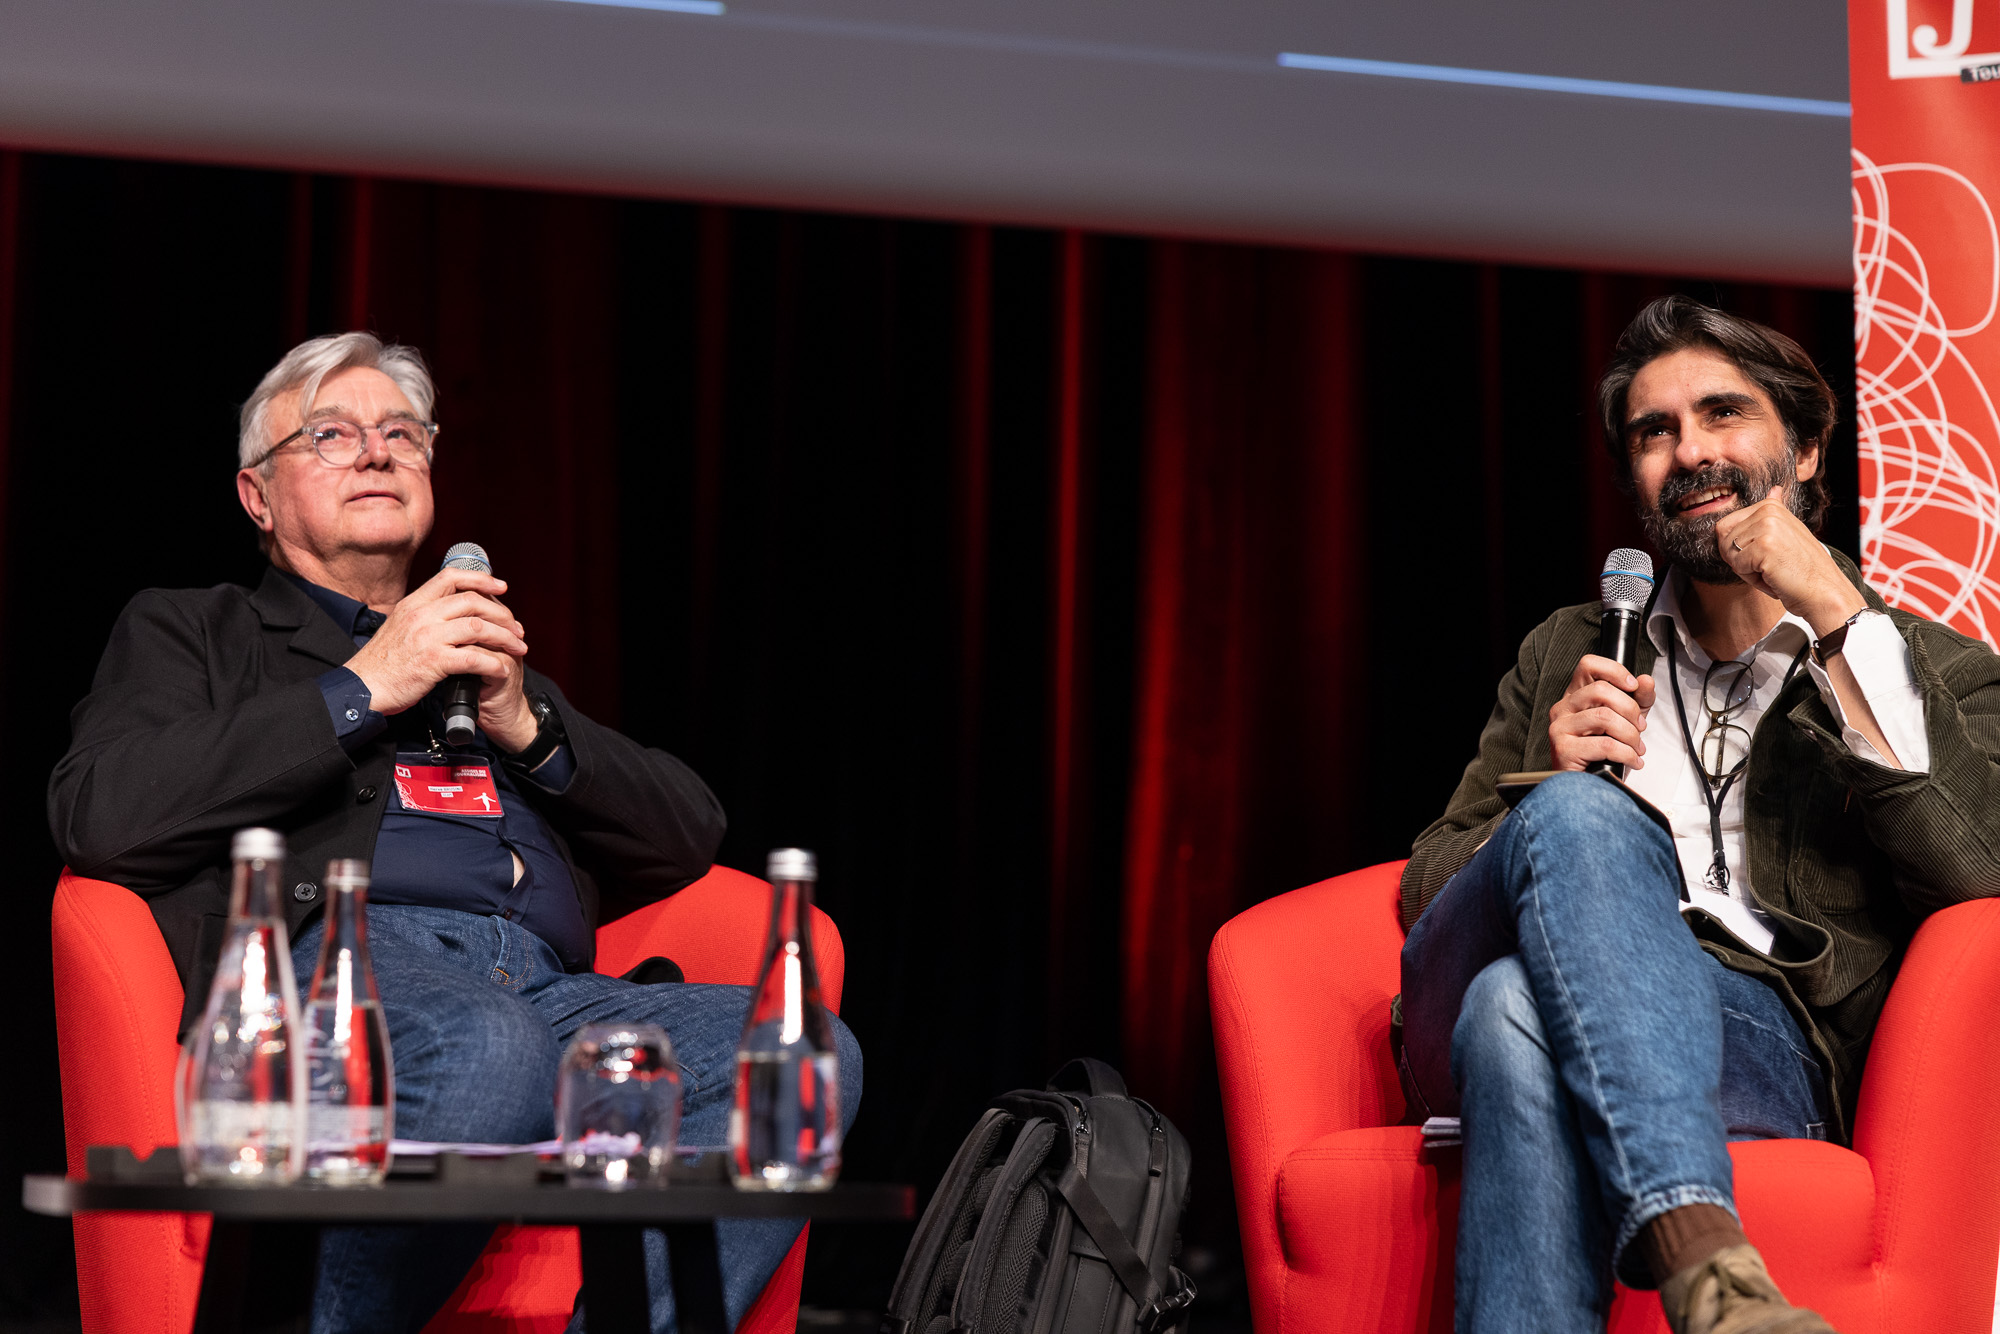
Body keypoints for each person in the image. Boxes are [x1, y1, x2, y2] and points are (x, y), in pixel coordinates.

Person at [48, 332, 863, 1334]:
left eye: (402, 432)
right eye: (331, 433)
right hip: (344, 975)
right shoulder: (198, 630)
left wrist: (529, 723)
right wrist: (366, 685)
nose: (377, 450)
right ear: (257, 496)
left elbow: (689, 832)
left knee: (797, 1053)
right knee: (489, 1047)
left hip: (547, 988)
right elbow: (101, 814)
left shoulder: (478, 661)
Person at [1396, 296, 2000, 1334]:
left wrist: (1838, 617)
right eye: (1654, 431)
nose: (1689, 453)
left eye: (1723, 413)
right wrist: (1546, 793)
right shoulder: (1566, 648)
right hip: (1476, 980)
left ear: (1806, 449)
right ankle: (1704, 1260)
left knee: (1510, 1008)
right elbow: (1427, 888)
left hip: (1755, 1037)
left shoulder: (1938, 669)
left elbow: (1980, 868)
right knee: (1578, 817)